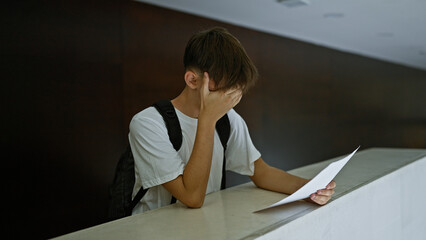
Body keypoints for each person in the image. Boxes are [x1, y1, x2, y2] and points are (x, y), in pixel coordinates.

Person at [128, 27, 336, 214]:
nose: (231, 100)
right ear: (193, 80)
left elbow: (260, 172)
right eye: (226, 91)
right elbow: (191, 197)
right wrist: (207, 119)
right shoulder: (147, 123)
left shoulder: (228, 119)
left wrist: (310, 188)